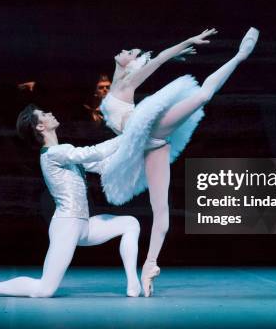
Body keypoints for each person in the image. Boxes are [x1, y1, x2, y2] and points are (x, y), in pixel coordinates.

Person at [99, 27, 259, 296]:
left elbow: (159, 58)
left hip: (151, 131)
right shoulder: (118, 84)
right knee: (161, 210)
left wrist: (188, 40)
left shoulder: (126, 83)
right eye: (127, 50)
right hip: (151, 146)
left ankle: (240, 55)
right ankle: (149, 266)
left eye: (129, 51)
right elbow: (159, 59)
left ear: (131, 62)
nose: (124, 51)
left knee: (203, 96)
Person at [0, 105, 141, 297]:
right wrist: (127, 136)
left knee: (130, 223)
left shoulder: (65, 152)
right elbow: (93, 152)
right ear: (39, 127)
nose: (51, 113)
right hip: (67, 225)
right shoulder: (53, 154)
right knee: (44, 289)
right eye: (44, 114)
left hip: (83, 226)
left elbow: (103, 164)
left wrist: (139, 149)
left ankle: (133, 284)